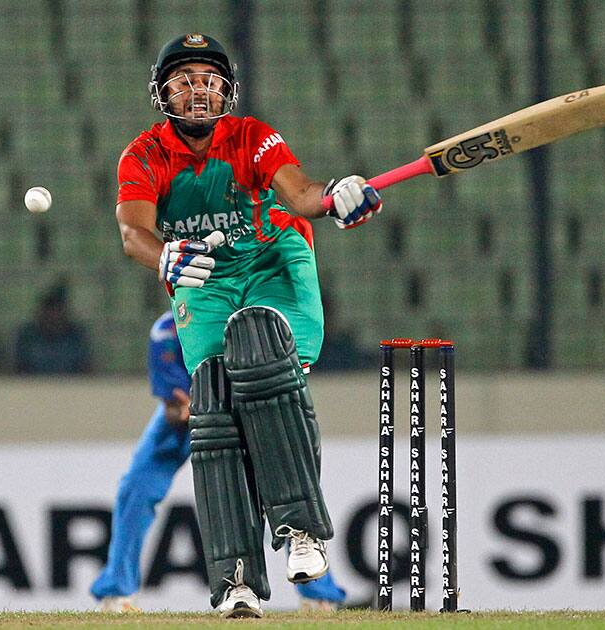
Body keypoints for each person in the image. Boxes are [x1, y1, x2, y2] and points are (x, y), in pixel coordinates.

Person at [114, 33, 381, 618]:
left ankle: (301, 529)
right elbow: (134, 231)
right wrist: (163, 256)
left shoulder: (252, 137)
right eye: (184, 80)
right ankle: (234, 575)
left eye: (209, 79)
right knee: (213, 399)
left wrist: (338, 195)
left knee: (261, 350)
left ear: (226, 89)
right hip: (201, 274)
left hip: (273, 260)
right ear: (163, 93)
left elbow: (302, 194)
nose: (199, 91)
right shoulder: (143, 155)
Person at [91, 311, 346, 613]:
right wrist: (187, 409)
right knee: (135, 487)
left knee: (285, 490)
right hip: (192, 419)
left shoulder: (245, 323)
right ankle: (117, 592)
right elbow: (173, 409)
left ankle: (319, 594)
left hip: (250, 411)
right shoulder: (167, 332)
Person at [14, 281, 91, 374]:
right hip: (32, 387)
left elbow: (87, 370)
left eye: (58, 309)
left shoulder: (76, 336)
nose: (53, 315)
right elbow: (17, 371)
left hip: (71, 387)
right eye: (49, 309)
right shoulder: (27, 336)